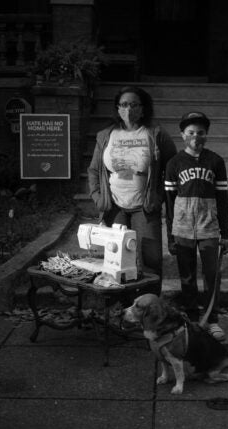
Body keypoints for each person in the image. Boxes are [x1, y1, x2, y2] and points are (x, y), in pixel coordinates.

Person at [87, 86, 177, 294]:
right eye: (124, 105)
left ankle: (151, 305)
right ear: (117, 109)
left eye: (134, 104)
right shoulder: (105, 136)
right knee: (117, 259)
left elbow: (172, 169)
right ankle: (124, 307)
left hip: (144, 207)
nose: (129, 109)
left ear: (143, 109)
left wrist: (159, 197)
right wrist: (98, 198)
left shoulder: (156, 134)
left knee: (151, 258)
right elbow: (93, 170)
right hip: (114, 206)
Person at [164, 111, 228, 341]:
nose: (196, 137)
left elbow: (222, 199)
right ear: (182, 134)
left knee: (211, 274)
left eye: (201, 133)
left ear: (207, 134)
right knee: (187, 276)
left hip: (209, 227)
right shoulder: (174, 163)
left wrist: (225, 233)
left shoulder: (215, 161)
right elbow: (169, 202)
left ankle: (212, 320)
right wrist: (170, 237)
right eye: (191, 132)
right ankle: (193, 319)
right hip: (183, 228)